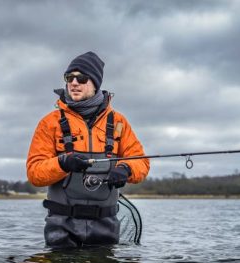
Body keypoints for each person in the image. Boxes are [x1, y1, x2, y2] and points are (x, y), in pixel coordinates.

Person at [27, 51, 150, 248]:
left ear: (95, 83)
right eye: (70, 78)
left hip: (106, 226)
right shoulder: (49, 123)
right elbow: (34, 173)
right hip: (61, 229)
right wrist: (62, 163)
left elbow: (141, 162)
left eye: (81, 78)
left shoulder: (119, 122)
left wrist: (126, 169)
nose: (74, 83)